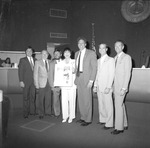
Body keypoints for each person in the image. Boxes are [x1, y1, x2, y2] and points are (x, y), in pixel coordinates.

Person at [75, 37, 97, 126]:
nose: (80, 45)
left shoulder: (91, 53)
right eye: (79, 43)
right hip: (79, 77)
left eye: (82, 43)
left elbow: (94, 68)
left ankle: (88, 119)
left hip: (87, 78)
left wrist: (91, 81)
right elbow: (76, 67)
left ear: (85, 44)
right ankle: (83, 117)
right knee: (81, 99)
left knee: (87, 99)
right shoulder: (76, 53)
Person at [111, 40, 132, 135]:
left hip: (121, 86)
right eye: (115, 46)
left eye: (119, 46)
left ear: (122, 47)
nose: (117, 48)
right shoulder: (114, 58)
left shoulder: (126, 57)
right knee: (120, 105)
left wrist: (124, 88)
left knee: (118, 106)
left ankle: (119, 128)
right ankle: (125, 124)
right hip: (115, 86)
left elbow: (128, 73)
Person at [93, 43, 115, 129]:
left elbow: (111, 74)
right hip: (99, 86)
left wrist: (109, 87)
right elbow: (97, 74)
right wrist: (95, 85)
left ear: (106, 49)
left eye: (103, 48)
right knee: (101, 104)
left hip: (106, 86)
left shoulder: (111, 60)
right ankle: (103, 119)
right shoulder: (98, 61)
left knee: (108, 105)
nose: (101, 50)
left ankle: (109, 123)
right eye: (100, 48)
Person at [18, 46, 36, 118]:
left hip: (33, 82)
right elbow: (20, 71)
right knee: (26, 97)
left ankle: (32, 112)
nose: (29, 52)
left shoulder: (35, 60)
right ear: (25, 52)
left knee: (33, 97)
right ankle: (26, 113)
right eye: (27, 51)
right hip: (25, 82)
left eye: (30, 51)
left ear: (32, 52)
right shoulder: (22, 60)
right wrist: (21, 81)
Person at [34, 50, 52, 119]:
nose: (44, 55)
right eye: (43, 54)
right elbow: (35, 74)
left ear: (48, 55)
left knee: (48, 99)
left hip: (49, 83)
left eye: (46, 54)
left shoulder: (51, 62)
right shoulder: (37, 62)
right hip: (41, 83)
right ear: (41, 54)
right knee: (41, 99)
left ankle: (48, 112)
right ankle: (41, 113)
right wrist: (36, 84)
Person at [60, 48, 76, 123]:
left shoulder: (74, 61)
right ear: (63, 54)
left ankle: (71, 116)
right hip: (63, 85)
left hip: (72, 85)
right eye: (65, 52)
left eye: (68, 52)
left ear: (70, 54)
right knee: (64, 101)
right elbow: (59, 74)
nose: (66, 53)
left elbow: (76, 73)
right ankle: (65, 116)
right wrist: (59, 83)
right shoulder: (61, 62)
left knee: (72, 101)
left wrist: (73, 70)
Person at [49, 49, 62, 118]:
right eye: (55, 54)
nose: (56, 55)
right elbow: (50, 74)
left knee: (65, 99)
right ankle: (57, 113)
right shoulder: (51, 63)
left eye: (58, 53)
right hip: (55, 85)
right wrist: (52, 85)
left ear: (61, 54)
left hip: (64, 84)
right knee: (56, 100)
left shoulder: (64, 62)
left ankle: (66, 113)